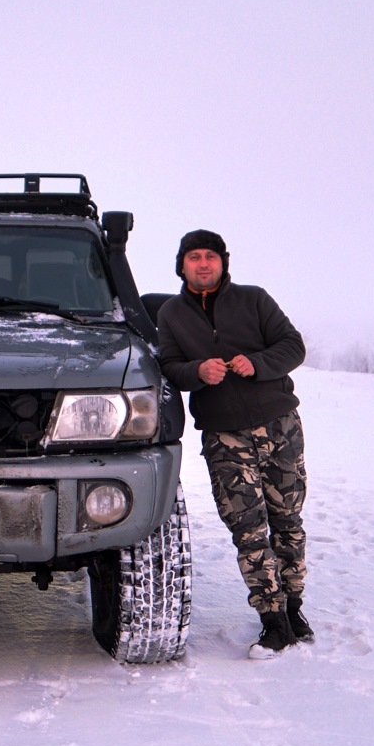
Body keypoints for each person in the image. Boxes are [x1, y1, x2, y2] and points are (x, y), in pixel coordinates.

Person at [156, 229, 311, 657]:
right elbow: (167, 365)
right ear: (181, 265)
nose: (202, 264)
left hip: (279, 425)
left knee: (287, 522)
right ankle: (273, 620)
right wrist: (196, 372)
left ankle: (295, 609)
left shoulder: (254, 299)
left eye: (210, 256)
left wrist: (257, 363)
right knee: (247, 527)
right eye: (194, 257)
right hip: (223, 435)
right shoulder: (170, 314)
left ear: (223, 262)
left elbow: (293, 346)